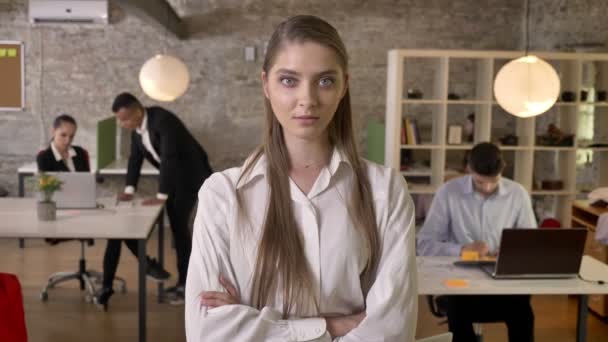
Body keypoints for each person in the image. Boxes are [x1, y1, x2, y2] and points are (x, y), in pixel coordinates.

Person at [185, 15, 417, 341]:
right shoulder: (223, 194)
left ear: (344, 86)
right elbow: (208, 333)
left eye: (324, 81)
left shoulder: (386, 191)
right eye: (289, 80)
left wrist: (256, 326)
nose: (307, 99)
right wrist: (336, 325)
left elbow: (393, 329)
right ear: (266, 84)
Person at [101, 92, 213, 308]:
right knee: (177, 231)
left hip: (191, 176)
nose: (121, 124)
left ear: (137, 111)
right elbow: (135, 160)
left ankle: (187, 286)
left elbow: (169, 159)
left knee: (179, 228)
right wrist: (129, 189)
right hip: (174, 178)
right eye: (119, 119)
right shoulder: (137, 130)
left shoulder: (163, 121)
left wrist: (161, 196)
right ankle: (184, 281)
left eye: (124, 119)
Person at [417, 142, 537, 342]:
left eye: (494, 181)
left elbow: (531, 243)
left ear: (502, 171)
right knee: (458, 311)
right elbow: (424, 244)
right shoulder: (448, 193)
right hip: (460, 284)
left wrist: (509, 252)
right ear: (469, 170)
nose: (488, 188)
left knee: (523, 312)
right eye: (481, 182)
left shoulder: (517, 194)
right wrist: (462, 249)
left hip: (503, 284)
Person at [37, 114, 90, 246]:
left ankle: (146, 262)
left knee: (118, 230)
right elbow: (48, 191)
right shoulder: (44, 157)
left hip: (83, 207)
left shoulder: (80, 153)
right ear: (53, 131)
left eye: (72, 136)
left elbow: (87, 183)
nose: (68, 141)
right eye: (63, 135)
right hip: (60, 210)